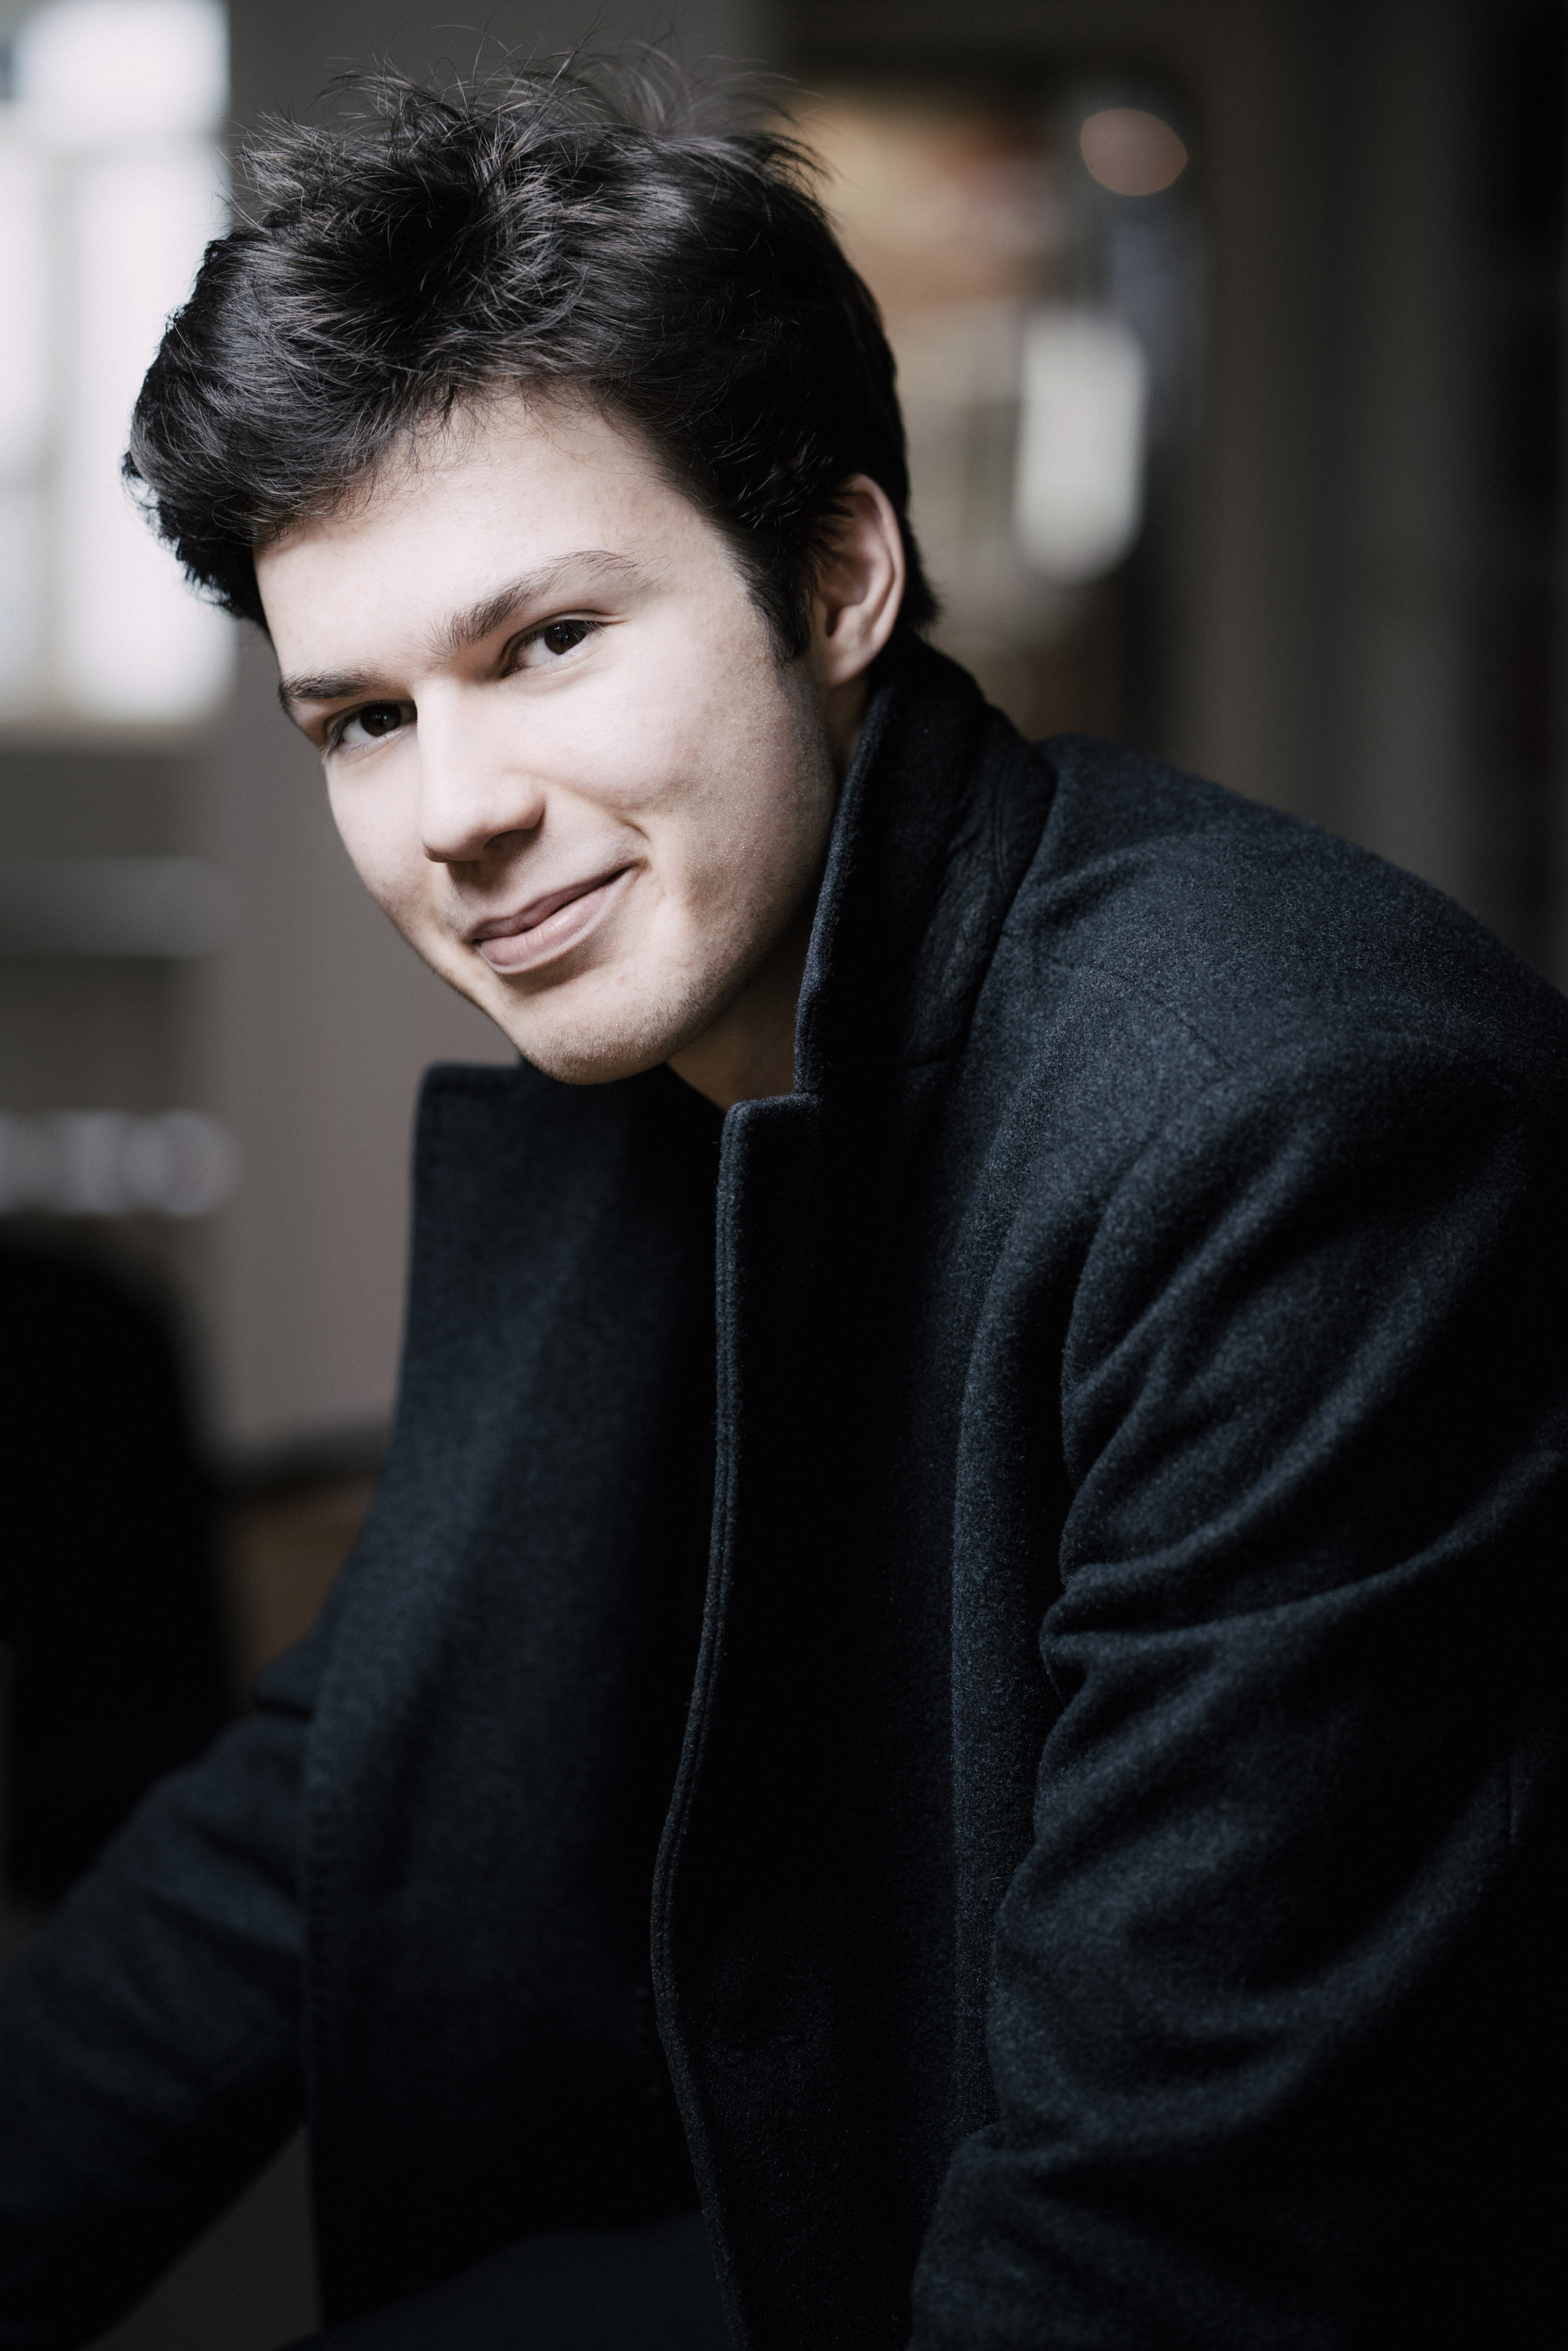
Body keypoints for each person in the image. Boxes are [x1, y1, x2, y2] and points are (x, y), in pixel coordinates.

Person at [0, 61, 1562, 2351]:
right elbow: (335, 1793)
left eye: (546, 642)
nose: (457, 815)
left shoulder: (1302, 1124)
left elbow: (1172, 2227)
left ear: (837, 578)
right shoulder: (660, 1057)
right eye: (363, 720)